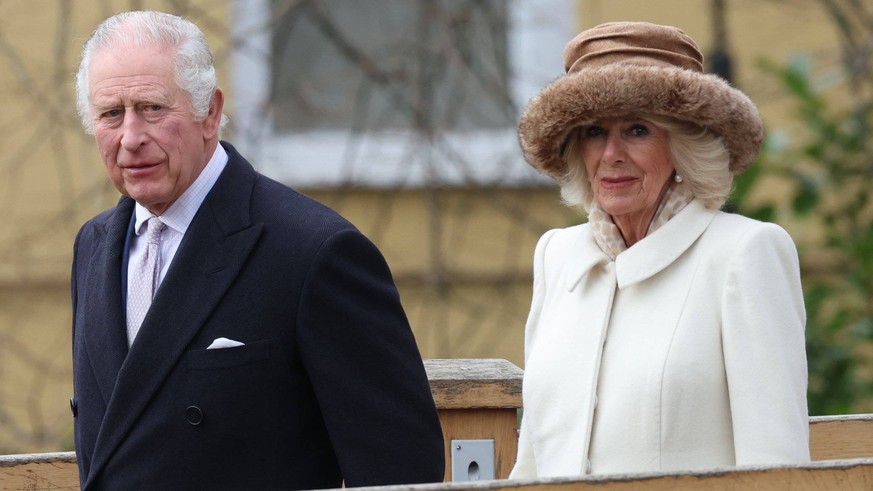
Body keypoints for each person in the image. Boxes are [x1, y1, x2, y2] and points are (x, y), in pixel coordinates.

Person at [70, 10, 444, 490]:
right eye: (111, 114)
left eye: (152, 108)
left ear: (209, 112)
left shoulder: (314, 251)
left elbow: (401, 468)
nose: (131, 138)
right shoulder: (94, 246)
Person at [509, 21, 809, 478]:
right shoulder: (556, 254)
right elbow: (530, 462)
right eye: (593, 131)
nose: (610, 154)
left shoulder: (745, 253)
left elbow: (777, 469)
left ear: (683, 143)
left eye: (636, 130)